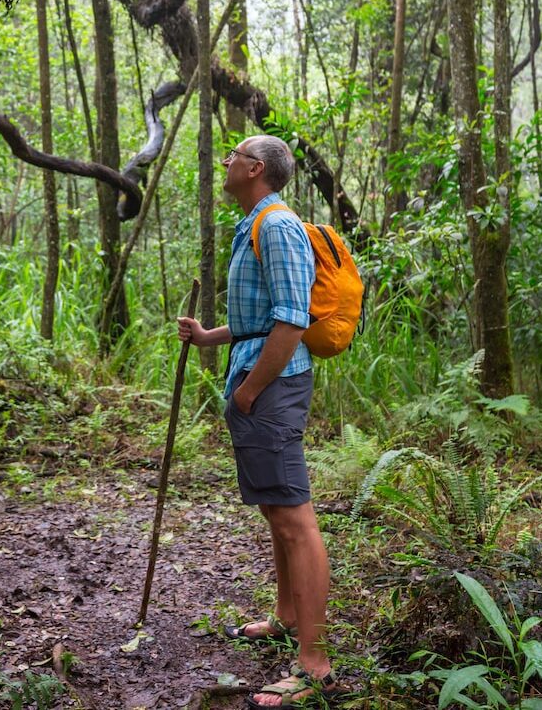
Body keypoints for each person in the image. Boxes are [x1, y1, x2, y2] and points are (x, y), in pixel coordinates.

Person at [177, 135, 339, 707]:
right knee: (276, 508)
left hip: (270, 386)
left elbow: (292, 322)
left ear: (255, 168)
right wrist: (208, 337)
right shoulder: (254, 224)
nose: (225, 161)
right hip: (257, 380)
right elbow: (262, 318)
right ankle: (287, 618)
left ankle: (315, 665)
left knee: (295, 518)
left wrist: (249, 391)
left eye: (233, 155)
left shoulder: (277, 226)